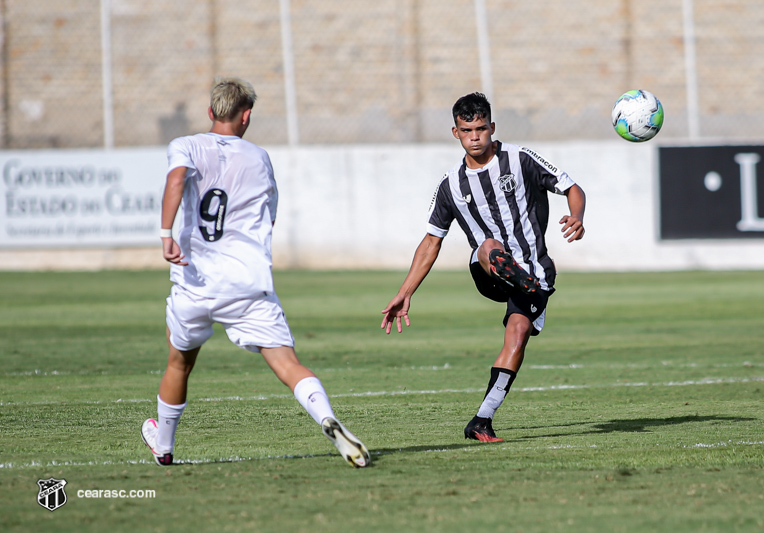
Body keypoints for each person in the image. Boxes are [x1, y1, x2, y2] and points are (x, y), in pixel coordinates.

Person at [141, 77, 370, 468]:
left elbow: (176, 179)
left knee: (180, 362)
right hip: (247, 282)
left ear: (211, 112)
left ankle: (164, 446)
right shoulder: (259, 157)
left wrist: (165, 235)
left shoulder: (186, 145)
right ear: (246, 115)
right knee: (287, 363)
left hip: (195, 280)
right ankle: (326, 418)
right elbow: (270, 214)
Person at [381, 92, 586, 442]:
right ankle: (515, 276)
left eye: (480, 128)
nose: (475, 137)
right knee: (489, 246)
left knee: (517, 336)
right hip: (489, 271)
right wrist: (404, 293)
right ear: (455, 132)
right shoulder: (451, 186)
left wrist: (577, 216)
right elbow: (431, 242)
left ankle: (482, 420)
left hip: (536, 273)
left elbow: (571, 187)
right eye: (466, 130)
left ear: (492, 127)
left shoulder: (520, 159)